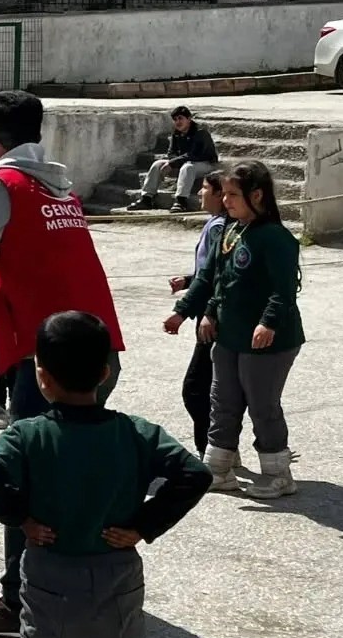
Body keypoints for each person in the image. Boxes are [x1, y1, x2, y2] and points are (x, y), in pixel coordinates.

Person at [0, 312, 211, 638]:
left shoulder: (27, 434)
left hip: (50, 578)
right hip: (116, 579)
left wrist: (22, 519)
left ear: (41, 376)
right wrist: (144, 525)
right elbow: (196, 473)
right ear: (105, 372)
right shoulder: (136, 432)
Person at [0, 90, 125, 638]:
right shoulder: (60, 185)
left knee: (23, 475)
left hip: (44, 356)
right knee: (76, 470)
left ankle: (18, 598)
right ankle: (79, 579)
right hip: (97, 348)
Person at [165, 160, 305, 499]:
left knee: (262, 405)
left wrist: (268, 322)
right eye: (224, 194)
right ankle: (218, 469)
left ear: (257, 195)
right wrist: (192, 313)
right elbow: (215, 279)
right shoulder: (229, 231)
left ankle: (278, 474)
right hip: (229, 335)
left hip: (268, 341)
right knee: (222, 401)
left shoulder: (276, 238)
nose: (225, 200)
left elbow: (284, 289)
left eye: (232, 194)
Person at [167, 171, 228, 456]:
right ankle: (220, 448)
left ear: (220, 194)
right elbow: (207, 272)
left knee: (196, 389)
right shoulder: (216, 224)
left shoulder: (220, 228)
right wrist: (189, 280)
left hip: (212, 317)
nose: (199, 194)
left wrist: (187, 311)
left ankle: (212, 451)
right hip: (207, 311)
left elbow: (217, 277)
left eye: (204, 189)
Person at [128, 106, 218, 213]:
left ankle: (181, 201)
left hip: (205, 163)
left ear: (189, 119)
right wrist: (172, 163)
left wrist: (173, 163)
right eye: (175, 119)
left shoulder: (200, 133)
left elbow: (195, 154)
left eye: (180, 118)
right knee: (158, 164)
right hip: (185, 162)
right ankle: (147, 198)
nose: (177, 122)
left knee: (187, 167)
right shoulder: (176, 133)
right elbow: (171, 152)